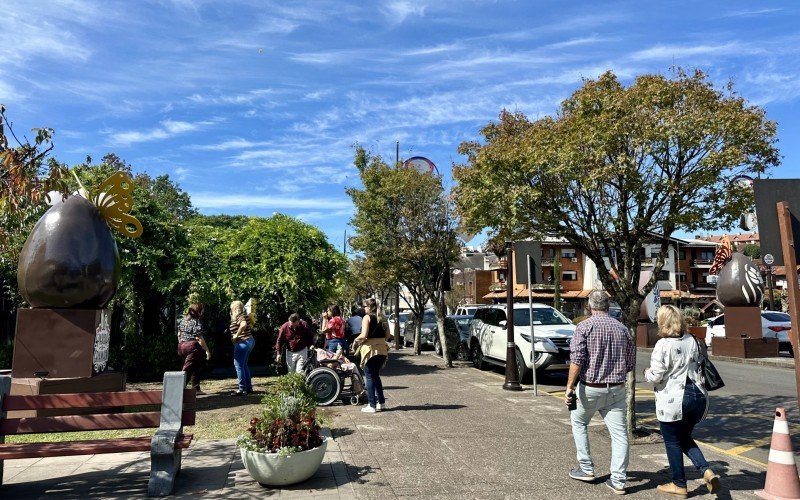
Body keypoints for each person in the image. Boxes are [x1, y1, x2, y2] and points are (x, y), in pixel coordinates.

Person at [644, 305, 720, 497]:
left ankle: (679, 484)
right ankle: (706, 471)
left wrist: (646, 373)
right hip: (698, 397)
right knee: (684, 437)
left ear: (662, 322)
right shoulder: (693, 339)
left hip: (675, 399)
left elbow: (657, 376)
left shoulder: (663, 344)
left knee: (672, 441)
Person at [565, 290, 635, 495]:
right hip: (617, 389)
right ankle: (619, 480)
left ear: (589, 306)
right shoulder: (622, 328)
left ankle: (587, 469)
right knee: (620, 435)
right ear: (608, 305)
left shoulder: (584, 327)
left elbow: (577, 360)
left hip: (590, 388)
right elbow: (630, 362)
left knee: (579, 423)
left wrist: (570, 387)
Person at [352, 298, 390, 413]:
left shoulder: (367, 317)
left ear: (369, 307)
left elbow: (363, 335)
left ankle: (372, 405)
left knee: (369, 376)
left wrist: (355, 340)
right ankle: (381, 403)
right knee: (375, 376)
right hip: (382, 349)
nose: (363, 308)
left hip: (370, 350)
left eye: (364, 306)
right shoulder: (383, 317)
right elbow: (388, 335)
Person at [176, 303, 211, 395]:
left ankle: (196, 389)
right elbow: (199, 338)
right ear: (199, 311)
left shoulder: (183, 320)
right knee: (187, 370)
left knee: (195, 366)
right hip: (191, 347)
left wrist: (181, 343)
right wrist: (207, 351)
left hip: (181, 347)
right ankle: (178, 390)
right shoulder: (196, 321)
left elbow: (178, 334)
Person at [229, 300, 255, 395]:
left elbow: (243, 325)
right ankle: (248, 388)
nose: (230, 309)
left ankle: (242, 388)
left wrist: (236, 335)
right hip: (249, 341)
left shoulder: (240, 316)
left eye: (231, 307)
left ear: (235, 308)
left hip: (242, 343)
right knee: (243, 365)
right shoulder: (244, 315)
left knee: (238, 365)